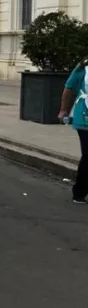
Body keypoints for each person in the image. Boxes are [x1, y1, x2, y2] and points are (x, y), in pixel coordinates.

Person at [59, 57, 88, 204]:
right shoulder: (82, 67)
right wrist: (63, 110)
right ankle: (79, 192)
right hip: (84, 116)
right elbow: (68, 88)